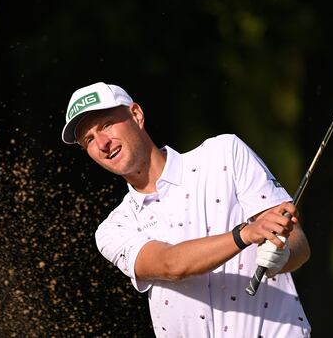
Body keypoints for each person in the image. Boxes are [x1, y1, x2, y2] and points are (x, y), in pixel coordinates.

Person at [62, 82, 311, 337]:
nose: (102, 143)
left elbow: (298, 243)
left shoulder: (225, 153)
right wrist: (245, 235)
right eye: (89, 140)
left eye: (106, 124)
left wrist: (282, 256)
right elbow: (170, 264)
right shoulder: (113, 229)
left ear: (136, 115)